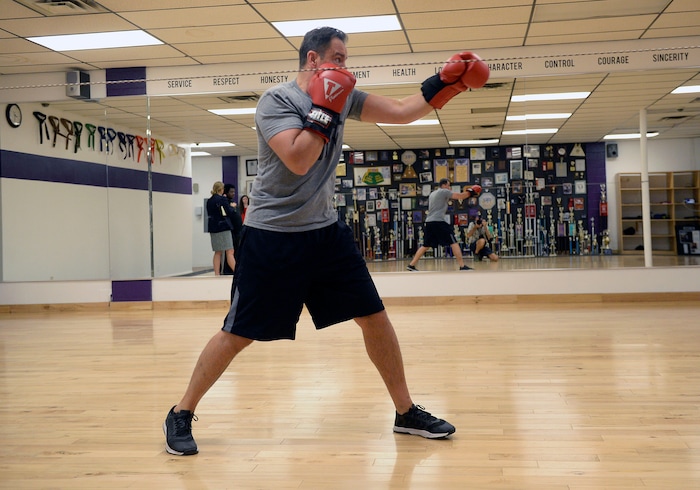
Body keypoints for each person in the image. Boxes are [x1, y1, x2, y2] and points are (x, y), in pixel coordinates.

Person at [164, 26, 489, 455]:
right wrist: (325, 103)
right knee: (239, 332)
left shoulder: (345, 94)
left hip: (325, 233)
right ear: (313, 60)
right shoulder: (276, 101)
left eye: (346, 59)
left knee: (374, 317)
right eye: (337, 57)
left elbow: (402, 111)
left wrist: (446, 84)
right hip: (273, 234)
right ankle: (181, 412)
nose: (344, 66)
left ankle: (405, 411)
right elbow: (298, 159)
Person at [406, 178, 482, 271]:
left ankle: (411, 265)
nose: (449, 188)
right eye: (448, 185)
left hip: (429, 221)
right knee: (453, 242)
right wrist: (471, 192)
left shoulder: (433, 193)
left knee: (426, 245)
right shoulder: (443, 191)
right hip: (438, 222)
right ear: (444, 185)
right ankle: (462, 266)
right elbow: (460, 196)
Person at [206, 181, 235, 275]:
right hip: (223, 227)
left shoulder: (209, 201)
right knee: (230, 251)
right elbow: (229, 212)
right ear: (221, 189)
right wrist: (232, 206)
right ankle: (237, 273)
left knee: (218, 252)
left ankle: (216, 274)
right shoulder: (222, 199)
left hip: (213, 228)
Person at [223, 183, 243, 253]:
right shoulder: (225, 203)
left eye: (234, 192)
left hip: (238, 231)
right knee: (231, 252)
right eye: (231, 192)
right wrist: (232, 208)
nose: (233, 193)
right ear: (226, 192)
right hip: (231, 231)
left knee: (237, 250)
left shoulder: (233, 202)